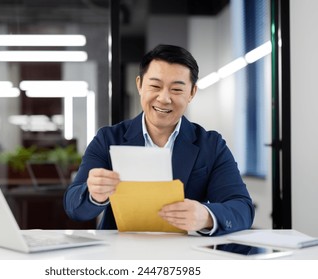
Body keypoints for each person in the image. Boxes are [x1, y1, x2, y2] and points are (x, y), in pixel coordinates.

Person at [64, 44, 255, 236]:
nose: (164, 98)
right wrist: (94, 195)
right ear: (139, 85)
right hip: (121, 254)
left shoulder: (211, 145)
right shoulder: (108, 139)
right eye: (155, 86)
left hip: (185, 256)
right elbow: (74, 207)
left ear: (192, 93)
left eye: (177, 90)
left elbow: (242, 208)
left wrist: (205, 216)